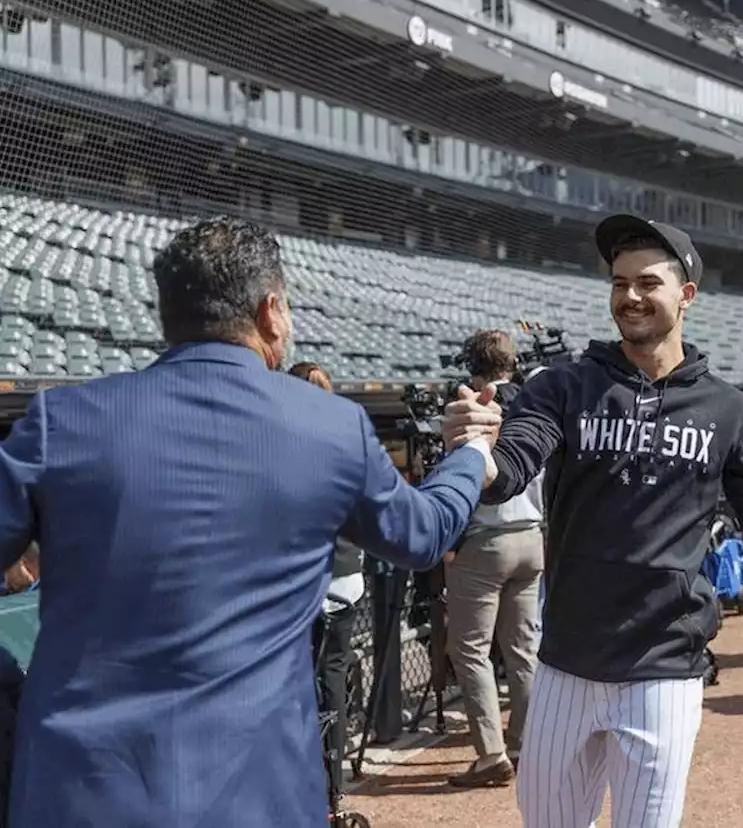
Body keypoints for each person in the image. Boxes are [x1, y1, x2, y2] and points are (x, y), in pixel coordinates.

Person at [0, 217, 498, 827]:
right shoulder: (330, 426)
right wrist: (470, 453)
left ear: (168, 316)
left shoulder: (61, 419)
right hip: (256, 797)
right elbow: (424, 535)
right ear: (271, 312)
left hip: (82, 794)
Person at [443, 214, 743, 828]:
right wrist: (475, 448)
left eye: (646, 282)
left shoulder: (727, 408)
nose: (629, 296)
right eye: (618, 283)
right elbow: (511, 463)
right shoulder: (566, 386)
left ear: (686, 294)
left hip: (664, 670)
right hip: (566, 663)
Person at [445, 329, 545, 789]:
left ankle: (491, 756)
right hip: (531, 534)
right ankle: (525, 744)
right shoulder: (535, 399)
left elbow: (457, 475)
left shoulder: (470, 402)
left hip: (485, 536)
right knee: (524, 648)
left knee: (471, 650)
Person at [288, 360, 366, 800]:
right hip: (349, 578)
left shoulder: (286, 444)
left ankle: (308, 784)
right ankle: (334, 787)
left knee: (298, 683)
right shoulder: (344, 442)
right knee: (332, 678)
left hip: (309, 585)